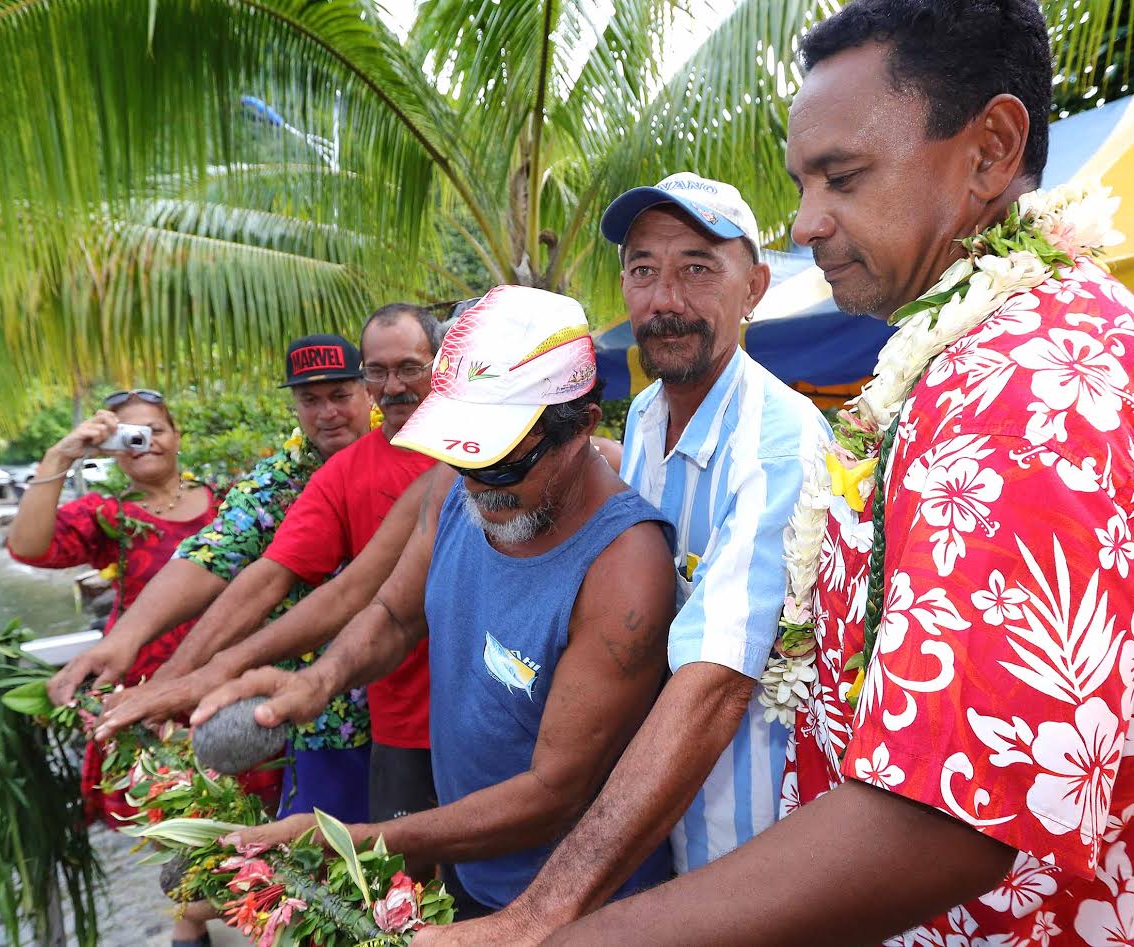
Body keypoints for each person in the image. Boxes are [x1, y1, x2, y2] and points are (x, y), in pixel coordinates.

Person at [534, 1, 1134, 944]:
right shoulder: (978, 353)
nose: (806, 220)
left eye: (842, 177)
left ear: (989, 149)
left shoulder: (1034, 391)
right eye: (802, 181)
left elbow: (945, 820)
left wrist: (556, 935)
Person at [420, 175, 831, 944]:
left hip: (736, 836)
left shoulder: (780, 445)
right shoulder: (642, 416)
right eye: (643, 269)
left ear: (755, 286)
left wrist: (540, 910)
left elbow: (713, 688)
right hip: (641, 842)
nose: (664, 297)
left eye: (697, 268)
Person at [191, 285, 678, 919]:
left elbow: (554, 793)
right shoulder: (457, 486)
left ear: (581, 426)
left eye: (501, 463)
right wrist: (316, 681)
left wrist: (358, 841)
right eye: (462, 453)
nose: (480, 487)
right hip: (474, 872)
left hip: (581, 908)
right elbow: (395, 614)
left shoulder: (625, 571)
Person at [95, 304, 445, 828]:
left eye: (409, 368)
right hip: (349, 714)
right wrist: (172, 671)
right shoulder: (317, 476)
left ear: (443, 362)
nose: (392, 386)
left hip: (481, 713)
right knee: (388, 878)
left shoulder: (481, 453)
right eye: (378, 372)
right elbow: (267, 572)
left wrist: (202, 673)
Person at [6, 388, 226, 947]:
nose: (144, 442)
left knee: (245, 817)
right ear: (110, 448)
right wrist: (60, 457)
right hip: (145, 699)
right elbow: (29, 548)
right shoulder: (111, 515)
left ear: (177, 436)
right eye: (128, 435)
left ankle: (201, 918)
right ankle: (191, 922)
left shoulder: (231, 504)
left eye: (155, 429)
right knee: (181, 826)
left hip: (224, 685)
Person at [47, 332, 370, 706]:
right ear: (294, 406)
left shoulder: (414, 455)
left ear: (368, 392)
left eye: (340, 396)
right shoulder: (278, 483)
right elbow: (214, 554)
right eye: (309, 400)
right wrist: (122, 642)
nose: (327, 413)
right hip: (318, 710)